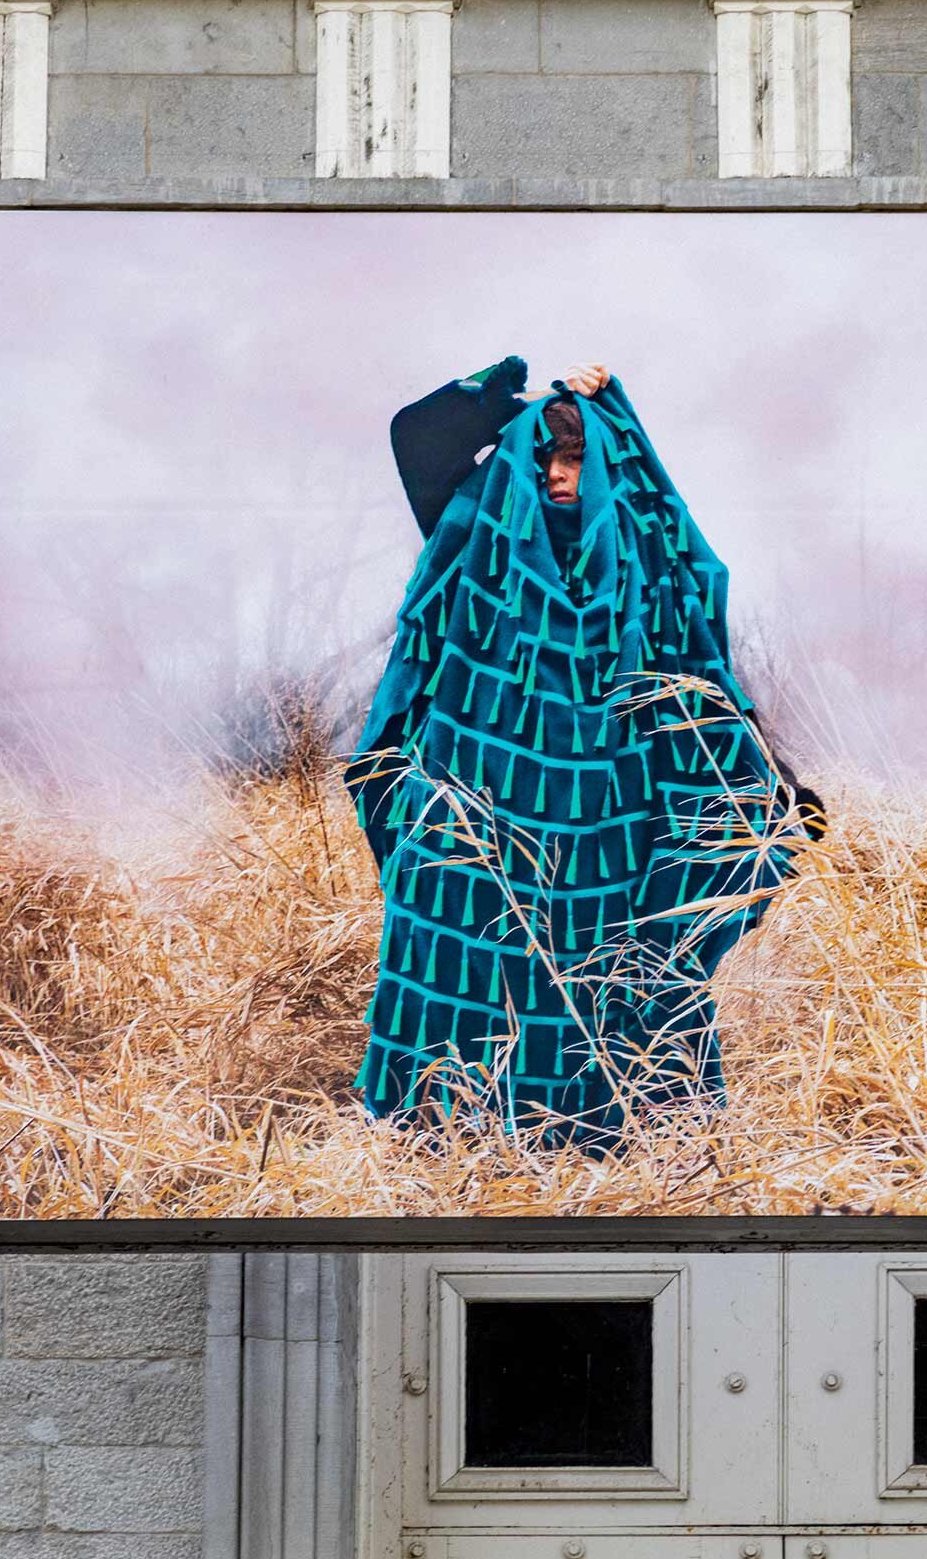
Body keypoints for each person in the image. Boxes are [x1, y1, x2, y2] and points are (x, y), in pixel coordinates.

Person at [345, 356, 817, 1148]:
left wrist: (616, 413)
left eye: (575, 458)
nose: (560, 476)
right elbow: (421, 441)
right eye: (546, 459)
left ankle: (603, 1131)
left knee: (609, 962)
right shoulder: (477, 537)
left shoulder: (641, 568)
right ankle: (450, 1127)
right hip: (481, 802)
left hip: (609, 810)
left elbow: (687, 549)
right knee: (469, 955)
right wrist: (515, 393)